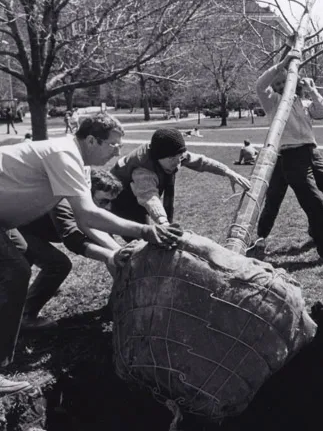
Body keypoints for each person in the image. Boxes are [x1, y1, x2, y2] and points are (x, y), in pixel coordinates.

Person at [0, 112, 182, 395]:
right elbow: (87, 216)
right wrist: (145, 232)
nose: (118, 150)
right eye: (112, 144)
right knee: (15, 270)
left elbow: (85, 222)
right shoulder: (63, 154)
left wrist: (120, 251)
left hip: (4, 222)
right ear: (91, 139)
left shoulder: (79, 164)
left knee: (19, 253)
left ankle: (20, 321)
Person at [252, 51, 323, 264]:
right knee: (313, 202)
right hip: (289, 155)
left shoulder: (303, 102)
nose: (283, 86)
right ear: (274, 87)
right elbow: (259, 86)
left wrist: (312, 89)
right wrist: (280, 65)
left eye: (287, 81)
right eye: (279, 83)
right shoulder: (272, 102)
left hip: (312, 152)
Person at [16, 169, 124, 330]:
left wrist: (122, 281)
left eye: (110, 202)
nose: (108, 208)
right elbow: (72, 239)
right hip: (16, 227)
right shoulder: (64, 200)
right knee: (57, 265)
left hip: (32, 229)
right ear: (86, 194)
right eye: (103, 201)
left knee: (26, 267)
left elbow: (107, 241)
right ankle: (25, 317)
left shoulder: (91, 206)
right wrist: (112, 256)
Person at [111, 128, 250, 228]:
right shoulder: (143, 169)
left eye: (180, 158)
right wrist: (162, 221)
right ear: (158, 157)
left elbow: (202, 161)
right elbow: (149, 197)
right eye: (172, 159)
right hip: (119, 198)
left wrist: (228, 172)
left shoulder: (173, 153)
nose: (178, 163)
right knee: (143, 237)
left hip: (139, 193)